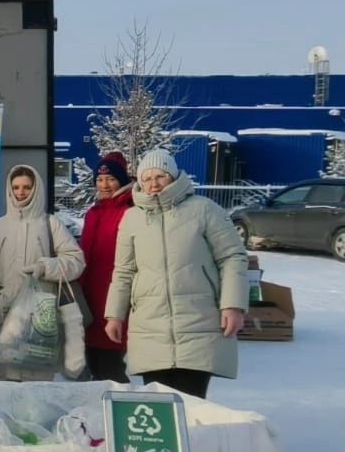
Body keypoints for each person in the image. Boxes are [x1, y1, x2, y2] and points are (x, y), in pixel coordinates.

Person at [104, 149, 248, 399]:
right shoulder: (132, 219)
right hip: (150, 325)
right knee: (160, 405)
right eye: (146, 179)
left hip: (197, 321)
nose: (154, 184)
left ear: (173, 176)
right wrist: (114, 316)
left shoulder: (204, 210)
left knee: (191, 402)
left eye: (160, 176)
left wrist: (232, 305)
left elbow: (232, 257)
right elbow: (124, 271)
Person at [0, 163, 86, 382]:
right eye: (16, 187)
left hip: (40, 322)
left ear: (36, 188)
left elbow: (76, 260)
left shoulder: (50, 224)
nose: (20, 192)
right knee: (5, 387)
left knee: (37, 392)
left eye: (26, 187)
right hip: (4, 317)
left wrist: (45, 267)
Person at [77, 152, 136, 383]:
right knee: (94, 366)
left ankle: (119, 413)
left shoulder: (131, 212)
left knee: (112, 368)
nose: (105, 185)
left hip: (115, 302)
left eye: (111, 179)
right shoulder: (93, 213)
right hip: (89, 302)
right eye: (100, 180)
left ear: (122, 180)